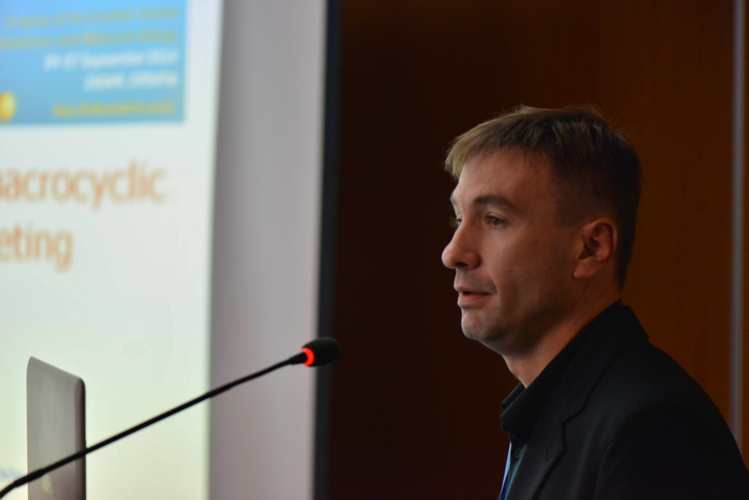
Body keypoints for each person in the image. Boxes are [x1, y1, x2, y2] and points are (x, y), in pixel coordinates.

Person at [440, 106, 749, 500]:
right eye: (459, 219)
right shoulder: (558, 410)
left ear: (591, 248)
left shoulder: (651, 429)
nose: (453, 253)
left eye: (494, 219)